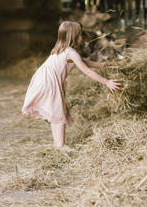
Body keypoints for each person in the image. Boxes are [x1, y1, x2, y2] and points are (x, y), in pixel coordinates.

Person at [21, 20, 121, 150]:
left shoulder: (61, 49)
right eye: (80, 35)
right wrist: (107, 82)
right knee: (58, 112)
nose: (82, 37)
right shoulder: (71, 53)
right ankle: (60, 145)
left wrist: (103, 65)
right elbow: (86, 71)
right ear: (74, 37)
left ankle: (58, 144)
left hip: (44, 78)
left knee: (56, 112)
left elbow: (84, 62)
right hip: (50, 81)